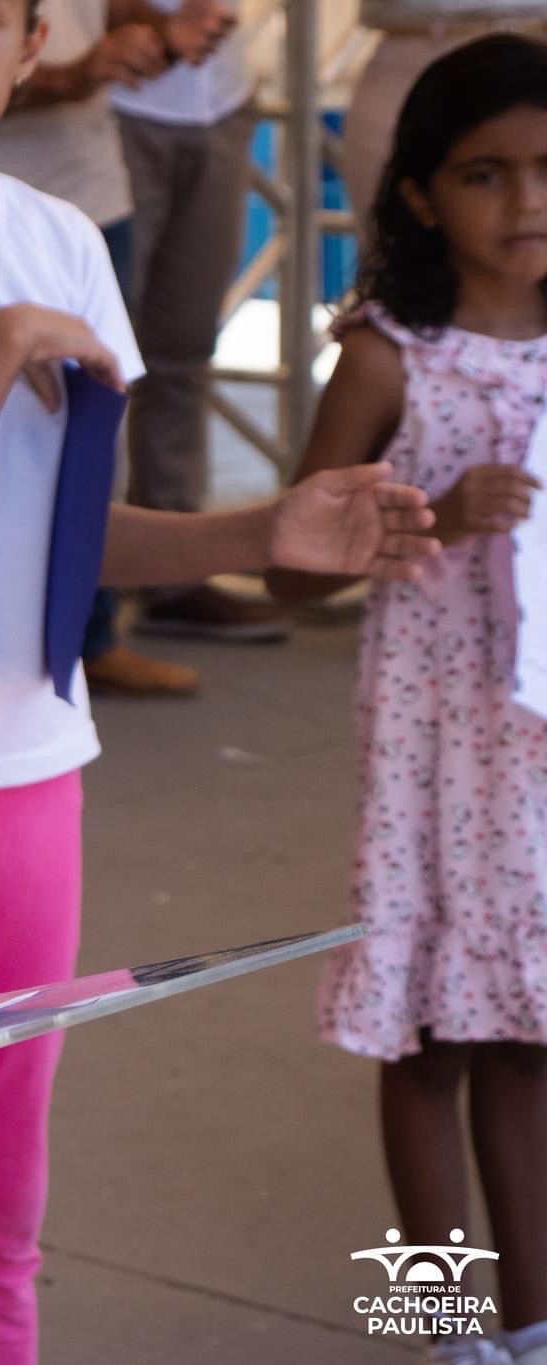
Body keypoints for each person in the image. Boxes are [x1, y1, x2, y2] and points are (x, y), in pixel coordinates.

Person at [0, 1, 440, 1359]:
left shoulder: (59, 244)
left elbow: (72, 533)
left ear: (35, 40)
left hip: (31, 769)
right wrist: (0, 349)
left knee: (0, 1191)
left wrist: (259, 531)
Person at [268, 36, 547, 1365]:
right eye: (487, 174)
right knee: (431, 1037)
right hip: (439, 759)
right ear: (425, 196)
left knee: (534, 1042)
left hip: (542, 767)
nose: (529, 201)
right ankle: (438, 1331)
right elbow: (283, 574)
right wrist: (430, 515)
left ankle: (534, 1324)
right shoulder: (392, 361)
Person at [0, 0, 214, 695]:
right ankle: (3, 643)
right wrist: (75, 72)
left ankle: (90, 632)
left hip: (92, 198)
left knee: (94, 431)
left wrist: (148, 26)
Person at [114, 0, 296, 640]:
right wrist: (151, 23)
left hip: (221, 99)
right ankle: (80, 590)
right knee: (97, 358)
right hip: (116, 105)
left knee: (184, 348)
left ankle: (172, 577)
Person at [341, 1, 546, 228]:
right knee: (396, 237)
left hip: (536, 37)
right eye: (483, 178)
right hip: (413, 40)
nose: (529, 203)